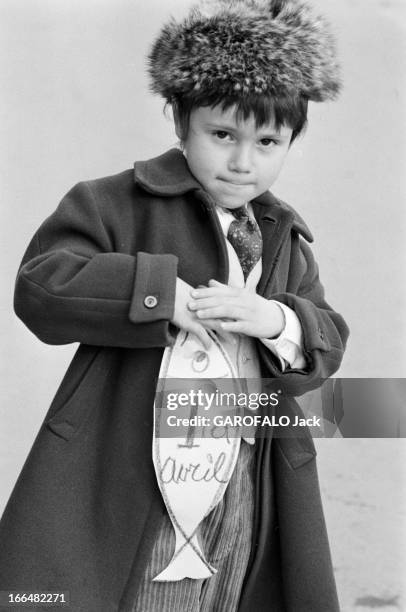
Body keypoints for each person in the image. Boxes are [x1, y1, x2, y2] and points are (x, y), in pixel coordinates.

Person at [0, 0, 349, 610]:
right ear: (178, 121)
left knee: (227, 590)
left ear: (293, 139)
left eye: (268, 141)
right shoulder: (113, 203)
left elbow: (326, 343)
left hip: (246, 471)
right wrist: (159, 297)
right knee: (135, 588)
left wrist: (278, 321)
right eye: (222, 135)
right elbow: (42, 286)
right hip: (132, 464)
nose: (244, 161)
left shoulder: (284, 234)